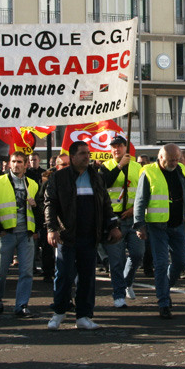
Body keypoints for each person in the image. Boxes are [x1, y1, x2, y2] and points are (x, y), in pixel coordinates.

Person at [45, 140, 121, 329]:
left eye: (88, 153)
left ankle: (84, 316)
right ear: (72, 157)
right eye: (82, 153)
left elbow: (106, 204)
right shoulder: (59, 177)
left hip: (90, 236)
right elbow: (50, 204)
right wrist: (51, 228)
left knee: (87, 277)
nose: (87, 156)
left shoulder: (96, 177)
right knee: (64, 275)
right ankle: (59, 312)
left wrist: (112, 226)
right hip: (66, 236)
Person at [134, 143, 185, 319]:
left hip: (178, 225)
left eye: (176, 159)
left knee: (181, 262)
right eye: (170, 160)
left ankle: (164, 288)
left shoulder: (182, 169)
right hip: (157, 226)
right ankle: (163, 302)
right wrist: (140, 225)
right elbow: (140, 200)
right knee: (160, 264)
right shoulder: (149, 172)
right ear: (160, 158)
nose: (174, 163)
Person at [0, 151, 42, 318]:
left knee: (26, 272)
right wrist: (0, 230)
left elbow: (41, 211)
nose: (16, 165)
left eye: (20, 162)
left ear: (26, 165)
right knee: (0, 270)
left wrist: (35, 213)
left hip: (26, 234)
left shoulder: (32, 184)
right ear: (9, 164)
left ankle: (21, 305)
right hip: (7, 234)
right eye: (13, 161)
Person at [100, 135, 144, 308]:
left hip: (133, 218)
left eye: (120, 146)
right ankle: (118, 294)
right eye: (114, 147)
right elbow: (104, 184)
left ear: (126, 148)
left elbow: (142, 191)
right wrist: (119, 167)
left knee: (137, 254)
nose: (116, 149)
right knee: (116, 260)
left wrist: (135, 209)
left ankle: (127, 282)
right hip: (114, 220)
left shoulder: (138, 167)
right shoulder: (105, 167)